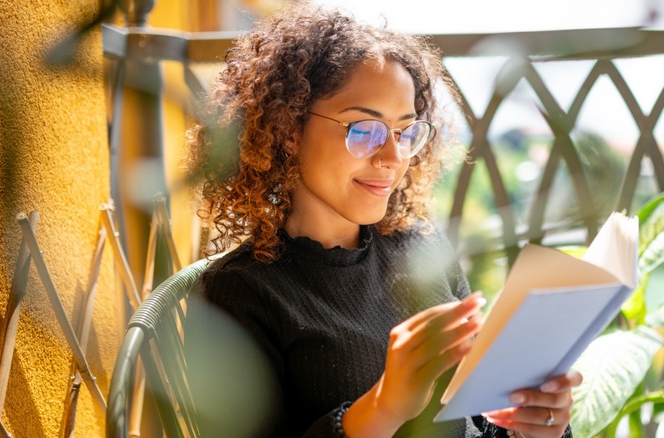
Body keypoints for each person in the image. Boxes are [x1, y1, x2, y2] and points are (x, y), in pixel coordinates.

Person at [185, 2, 582, 437]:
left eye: (406, 131)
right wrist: (384, 407)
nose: (393, 157)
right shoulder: (243, 290)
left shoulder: (421, 248)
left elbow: (478, 425)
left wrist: (531, 426)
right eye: (363, 129)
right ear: (289, 132)